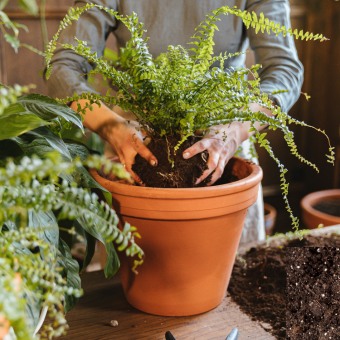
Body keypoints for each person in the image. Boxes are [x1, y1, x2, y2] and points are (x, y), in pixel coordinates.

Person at [46, 0, 303, 243]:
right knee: (133, 269)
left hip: (221, 145)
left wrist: (234, 131)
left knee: (234, 272)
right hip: (133, 148)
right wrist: (113, 129)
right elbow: (63, 68)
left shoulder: (228, 136)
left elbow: (284, 70)